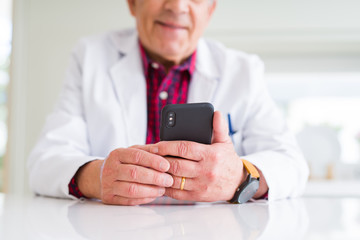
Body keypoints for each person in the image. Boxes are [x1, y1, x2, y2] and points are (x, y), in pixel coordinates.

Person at [28, 0, 309, 205]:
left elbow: (292, 164)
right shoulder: (90, 56)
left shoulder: (244, 71)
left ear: (209, 11)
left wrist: (239, 177)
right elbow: (45, 161)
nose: (177, 6)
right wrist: (99, 177)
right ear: (132, 4)